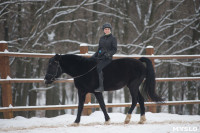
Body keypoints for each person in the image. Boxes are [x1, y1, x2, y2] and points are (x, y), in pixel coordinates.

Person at [92, 23, 117, 92]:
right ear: (103, 30)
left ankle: (101, 87)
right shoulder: (101, 38)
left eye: (108, 29)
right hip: (100, 57)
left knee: (99, 68)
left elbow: (114, 49)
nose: (107, 30)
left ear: (110, 30)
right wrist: (94, 56)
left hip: (107, 58)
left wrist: (108, 54)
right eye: (105, 29)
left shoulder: (113, 38)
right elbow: (99, 49)